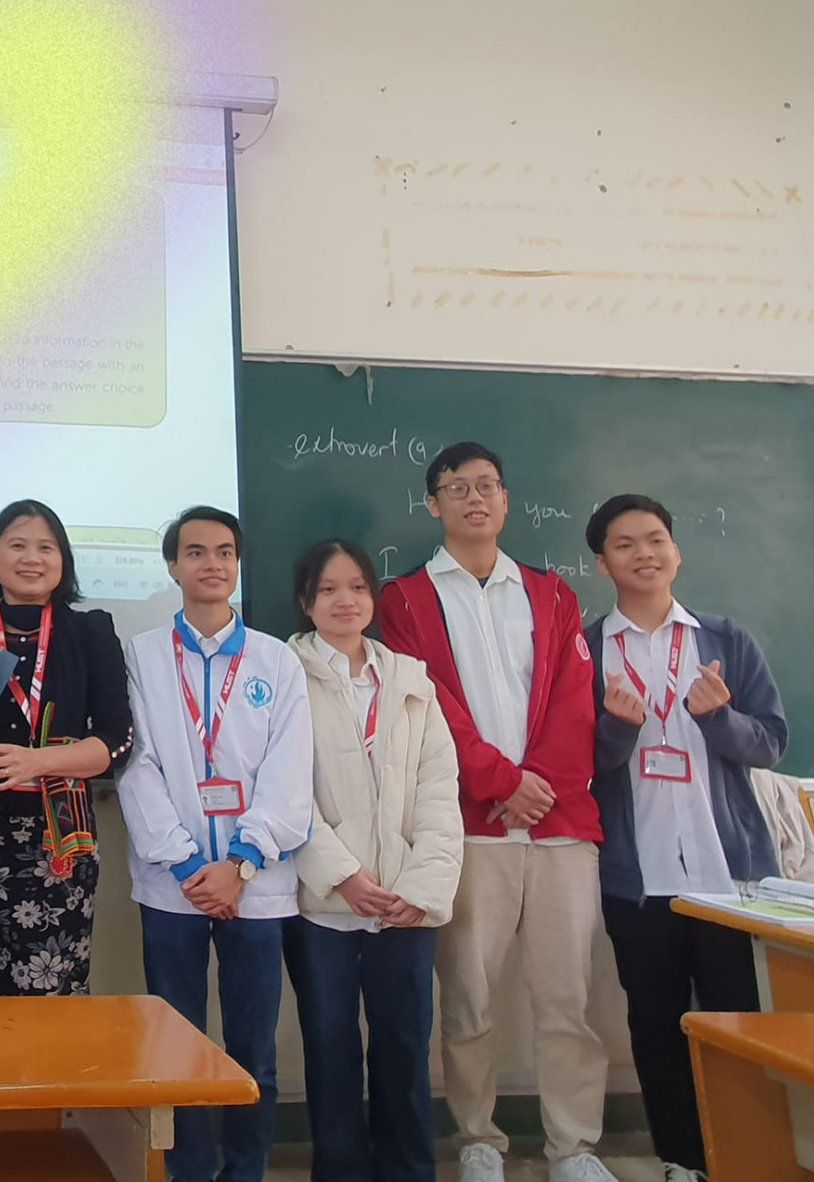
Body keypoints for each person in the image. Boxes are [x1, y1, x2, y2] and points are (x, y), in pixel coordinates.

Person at [377, 442, 615, 1182]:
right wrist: (499, 781)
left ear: (506, 500)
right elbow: (430, 704)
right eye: (457, 488)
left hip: (560, 826)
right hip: (470, 828)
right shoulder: (405, 599)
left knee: (568, 998)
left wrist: (537, 784)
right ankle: (478, 1137)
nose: (474, 498)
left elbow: (576, 702)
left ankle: (574, 1146)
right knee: (468, 998)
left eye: (487, 486)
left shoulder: (551, 593)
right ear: (433, 504)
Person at [587, 494, 787, 1182]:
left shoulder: (726, 640)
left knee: (740, 1022)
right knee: (656, 1023)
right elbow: (577, 764)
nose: (643, 553)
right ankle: (681, 1158)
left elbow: (772, 742)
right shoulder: (587, 648)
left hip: (728, 877)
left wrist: (719, 719)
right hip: (637, 880)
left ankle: (746, 1155)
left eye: (655, 539)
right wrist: (617, 729)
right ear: (602, 562)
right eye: (624, 544)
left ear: (676, 551)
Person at [117, 505, 311, 1182]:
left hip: (257, 885)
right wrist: (189, 863)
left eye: (225, 551)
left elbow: (291, 773)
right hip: (173, 884)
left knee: (254, 1049)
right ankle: (189, 1169)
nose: (212, 563)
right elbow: (136, 765)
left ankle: (246, 1169)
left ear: (238, 563)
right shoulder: (139, 655)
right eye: (196, 551)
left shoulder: (277, 660)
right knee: (176, 1044)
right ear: (172, 565)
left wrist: (242, 862)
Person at [284, 539, 462, 1182]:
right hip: (323, 906)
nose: (346, 601)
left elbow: (440, 789)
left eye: (358, 587)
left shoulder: (411, 679)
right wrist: (343, 877)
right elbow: (282, 792)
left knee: (405, 1049)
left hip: (404, 905)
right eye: (329, 589)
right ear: (306, 601)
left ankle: (409, 1171)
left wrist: (420, 886)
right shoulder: (281, 676)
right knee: (330, 1050)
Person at [0, 500, 133, 997]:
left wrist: (37, 761)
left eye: (46, 547)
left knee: (50, 986)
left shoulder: (90, 633)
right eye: (17, 545)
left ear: (63, 560)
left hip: (58, 840)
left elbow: (115, 742)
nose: (32, 558)